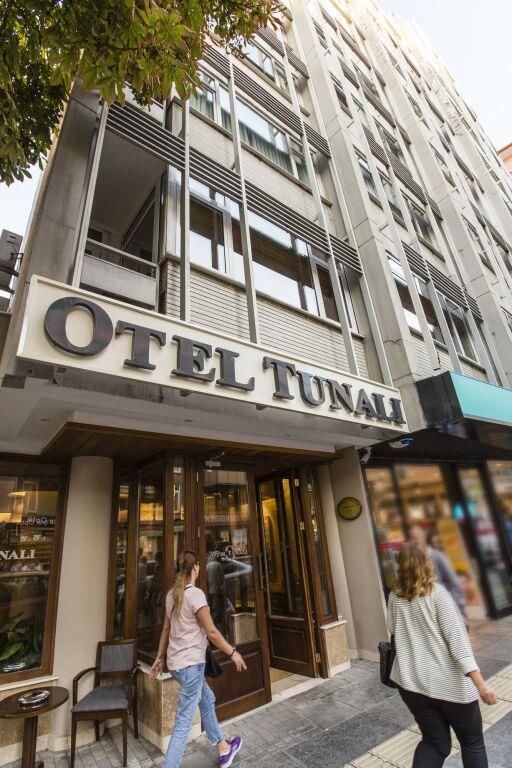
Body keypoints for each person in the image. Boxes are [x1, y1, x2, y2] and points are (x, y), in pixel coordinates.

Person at [387, 543, 496, 768]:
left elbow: (392, 628)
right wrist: (481, 685)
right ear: (426, 563)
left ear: (401, 565)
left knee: (435, 743)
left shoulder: (394, 596)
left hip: (412, 685)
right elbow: (459, 645)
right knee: (472, 743)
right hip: (450, 687)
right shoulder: (437, 594)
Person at [150, 550, 247, 768]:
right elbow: (212, 632)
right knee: (183, 723)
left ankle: (223, 748)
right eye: (199, 566)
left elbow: (166, 629)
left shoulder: (171, 595)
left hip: (177, 665)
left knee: (207, 699)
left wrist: (159, 658)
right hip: (191, 666)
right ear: (195, 568)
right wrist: (233, 653)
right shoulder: (195, 595)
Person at [409, 524, 467, 625]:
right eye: (413, 538)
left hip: (446, 610)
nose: (416, 541)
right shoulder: (414, 561)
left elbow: (455, 583)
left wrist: (456, 607)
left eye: (417, 536)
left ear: (424, 535)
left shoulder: (438, 556)